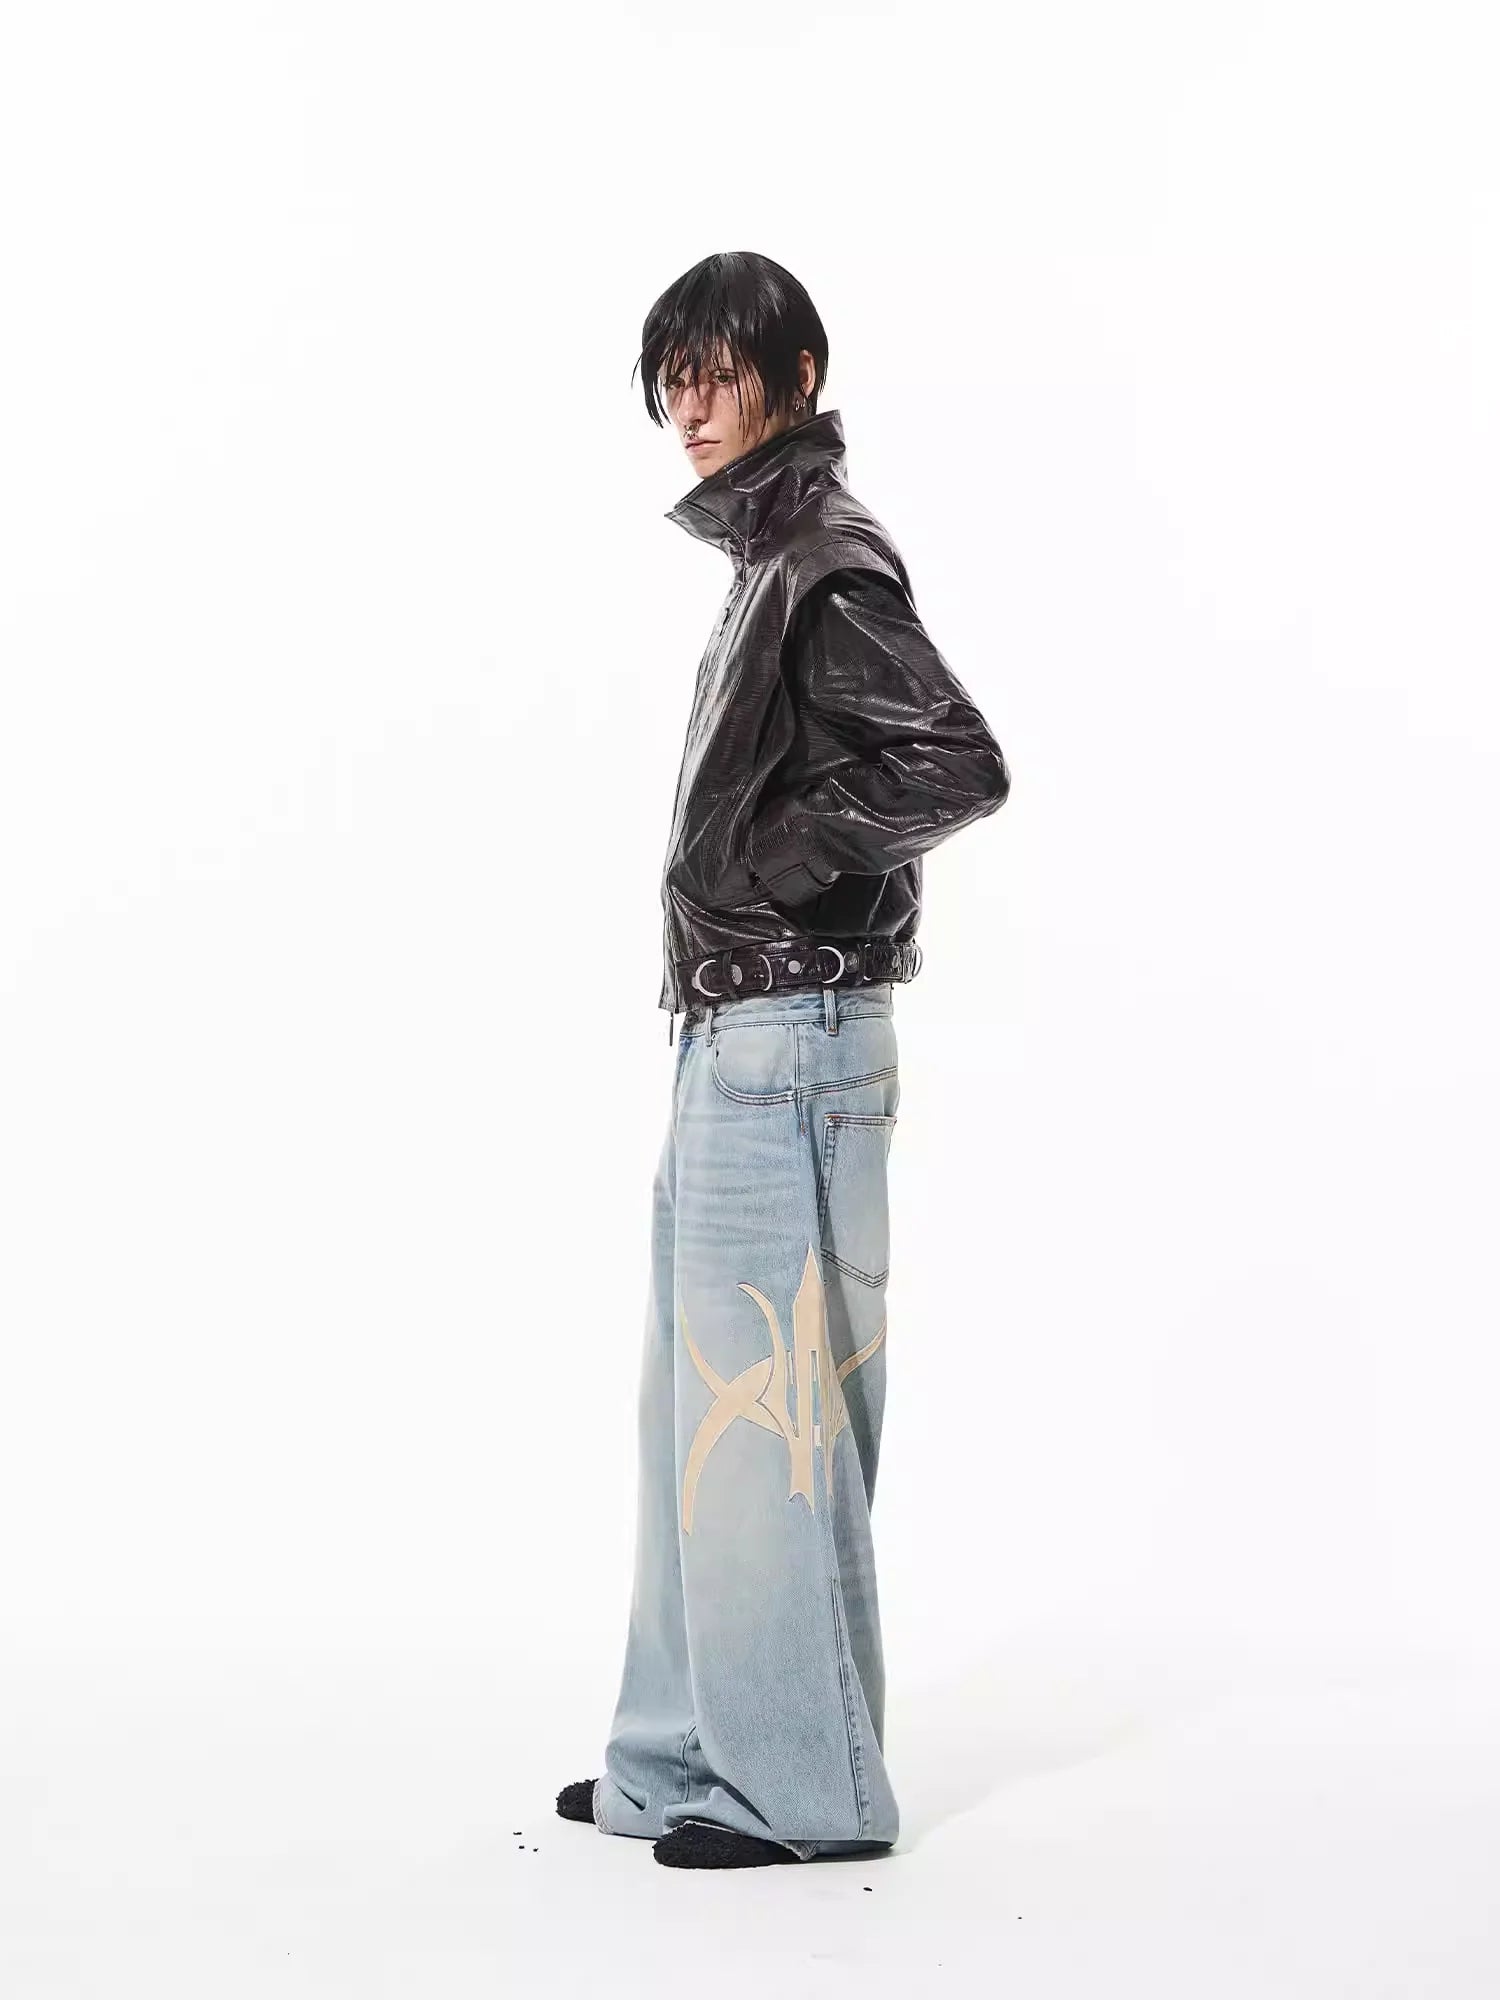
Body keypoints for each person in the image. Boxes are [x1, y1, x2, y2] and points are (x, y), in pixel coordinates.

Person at [555, 251, 1011, 1868]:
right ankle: (680, 1758)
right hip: (736, 1036)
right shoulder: (770, 563)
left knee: (768, 1429)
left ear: (799, 376)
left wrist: (771, 865)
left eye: (720, 371)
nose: (691, 404)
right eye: (672, 377)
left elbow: (956, 762)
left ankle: (801, 1791)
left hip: (793, 1038)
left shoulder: (823, 560)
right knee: (694, 1413)